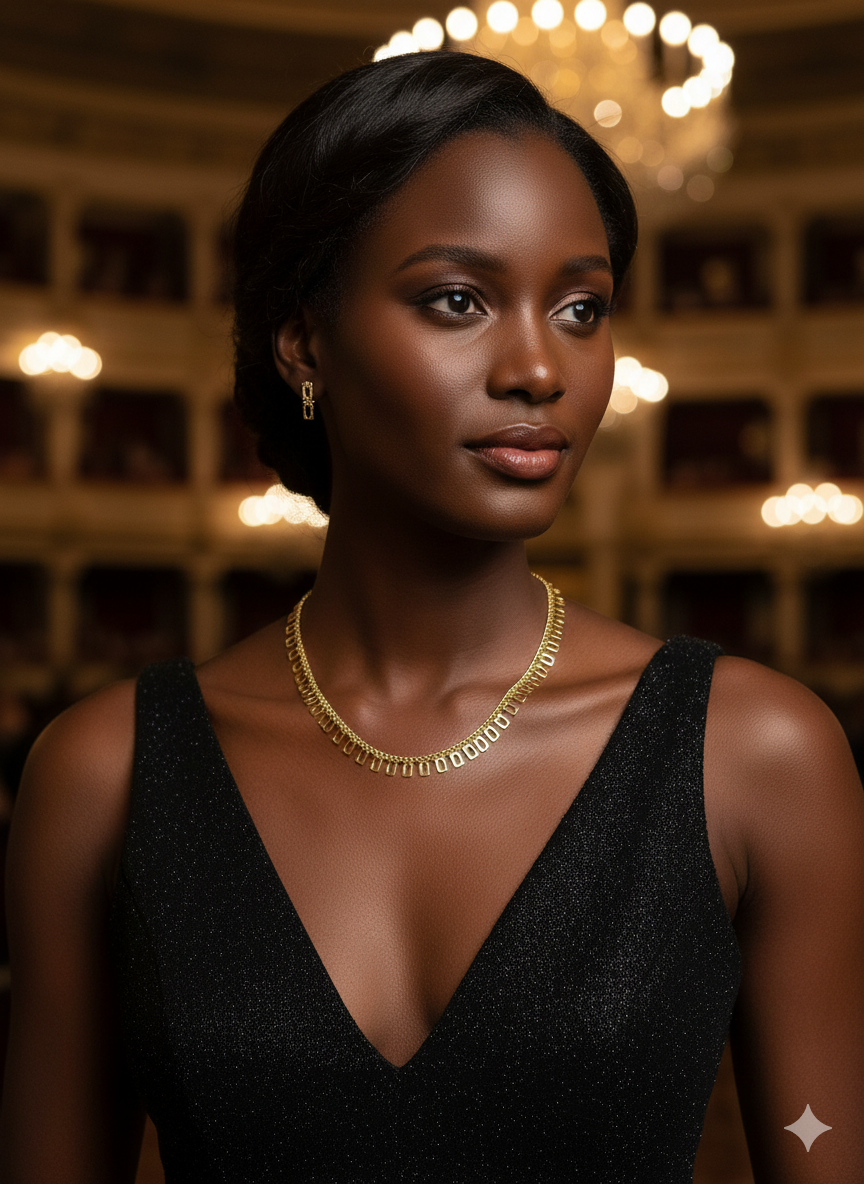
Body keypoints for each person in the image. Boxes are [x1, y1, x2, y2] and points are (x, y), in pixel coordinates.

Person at [1, 50, 862, 1184]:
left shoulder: (755, 752)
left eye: (580, 307)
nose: (537, 367)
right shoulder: (105, 772)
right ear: (303, 337)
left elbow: (825, 1152)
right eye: (458, 299)